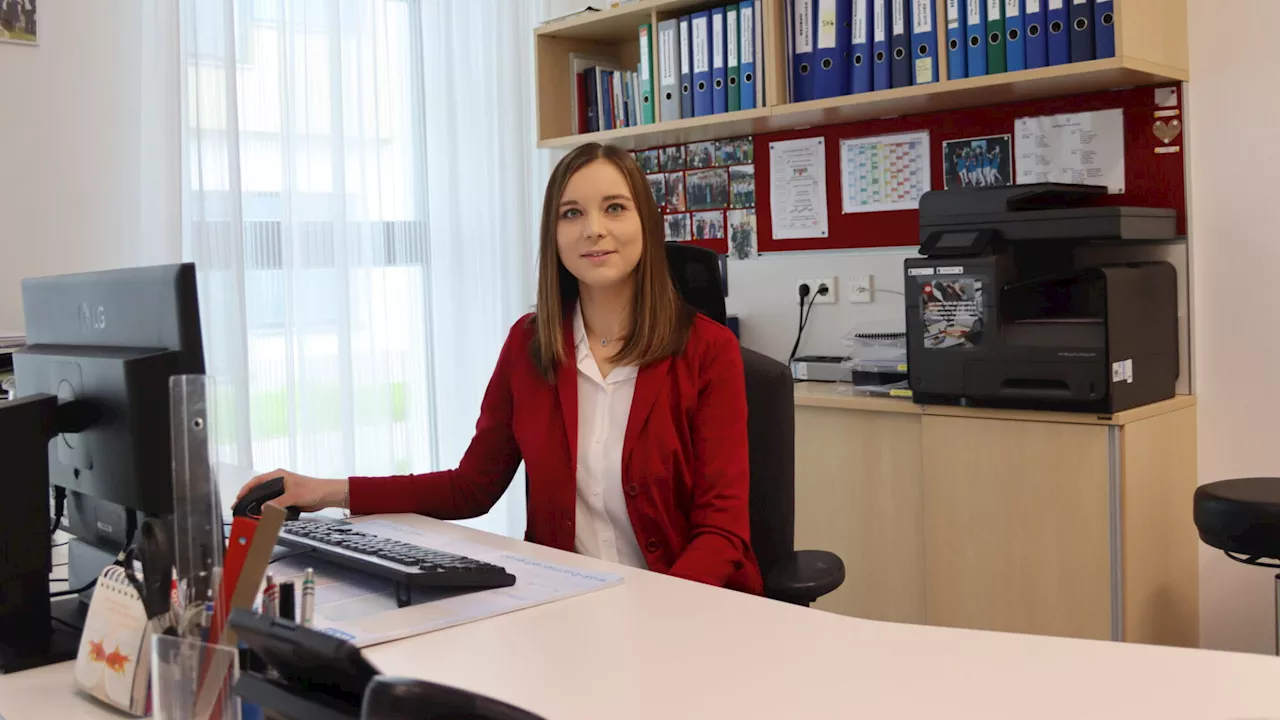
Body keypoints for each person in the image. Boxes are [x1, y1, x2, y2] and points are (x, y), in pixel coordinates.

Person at [235, 143, 764, 594]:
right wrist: (323, 489)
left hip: (688, 615)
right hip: (568, 610)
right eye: (571, 213)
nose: (593, 230)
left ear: (647, 224)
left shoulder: (707, 351)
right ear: (553, 236)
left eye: (615, 208)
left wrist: (649, 612)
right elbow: (471, 488)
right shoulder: (529, 345)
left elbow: (722, 536)